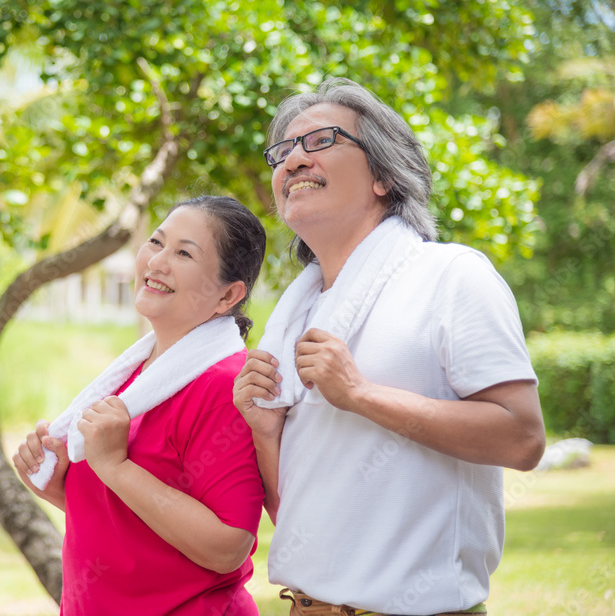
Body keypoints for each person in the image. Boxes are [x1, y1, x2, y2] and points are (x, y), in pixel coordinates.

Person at [233, 78, 546, 616]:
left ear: (382, 174)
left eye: (321, 141)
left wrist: (358, 393)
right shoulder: (294, 318)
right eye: (281, 152)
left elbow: (522, 439)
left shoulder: (451, 275)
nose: (293, 161)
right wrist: (265, 431)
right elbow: (301, 519)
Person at [14, 195, 268, 615]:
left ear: (228, 295)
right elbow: (135, 519)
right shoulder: (138, 377)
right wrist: (60, 483)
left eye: (184, 253)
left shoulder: (224, 387)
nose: (157, 262)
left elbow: (228, 546)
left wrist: (114, 466)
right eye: (156, 242)